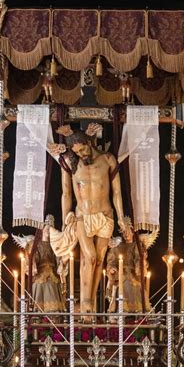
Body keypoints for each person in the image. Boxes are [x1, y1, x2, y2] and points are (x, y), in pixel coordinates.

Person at [53, 128, 131, 314]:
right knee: (90, 257)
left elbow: (117, 192)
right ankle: (86, 303)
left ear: (89, 142)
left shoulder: (107, 159)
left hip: (105, 216)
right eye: (77, 152)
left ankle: (91, 304)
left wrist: (121, 218)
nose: (81, 154)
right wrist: (65, 220)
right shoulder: (70, 163)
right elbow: (66, 193)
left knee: (99, 260)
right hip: (82, 216)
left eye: (82, 150)